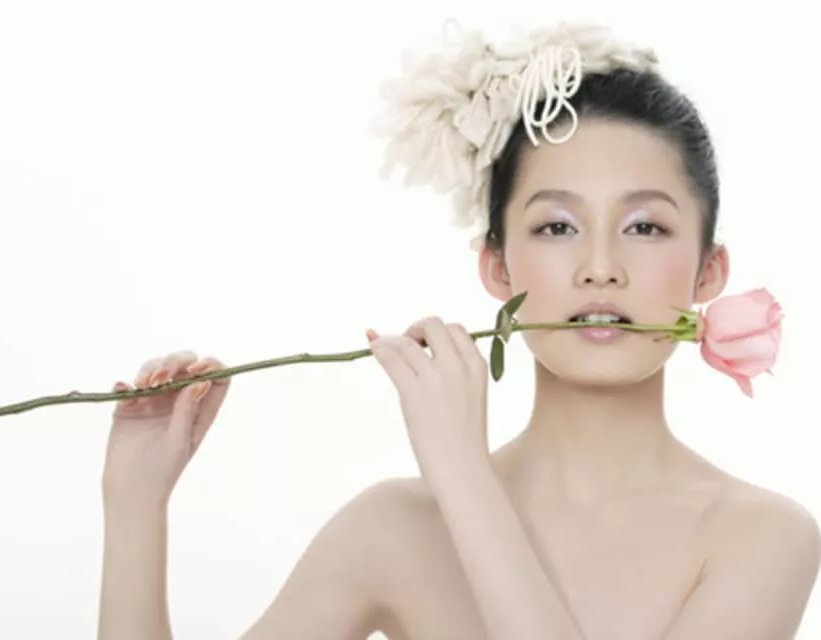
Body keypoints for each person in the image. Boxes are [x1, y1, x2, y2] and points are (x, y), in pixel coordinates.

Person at [96, 21, 821, 640]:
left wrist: (463, 473)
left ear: (707, 271)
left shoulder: (762, 538)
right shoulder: (393, 527)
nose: (600, 268)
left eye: (644, 227)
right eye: (557, 226)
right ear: (497, 267)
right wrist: (135, 504)